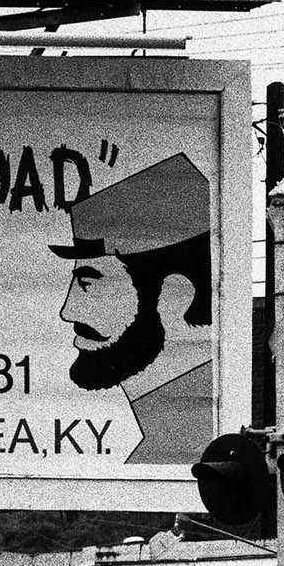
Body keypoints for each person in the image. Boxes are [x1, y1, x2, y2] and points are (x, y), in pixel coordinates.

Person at [51, 153, 216, 465]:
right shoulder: (173, 446)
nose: (67, 311)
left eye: (88, 283)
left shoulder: (187, 453)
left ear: (173, 295)